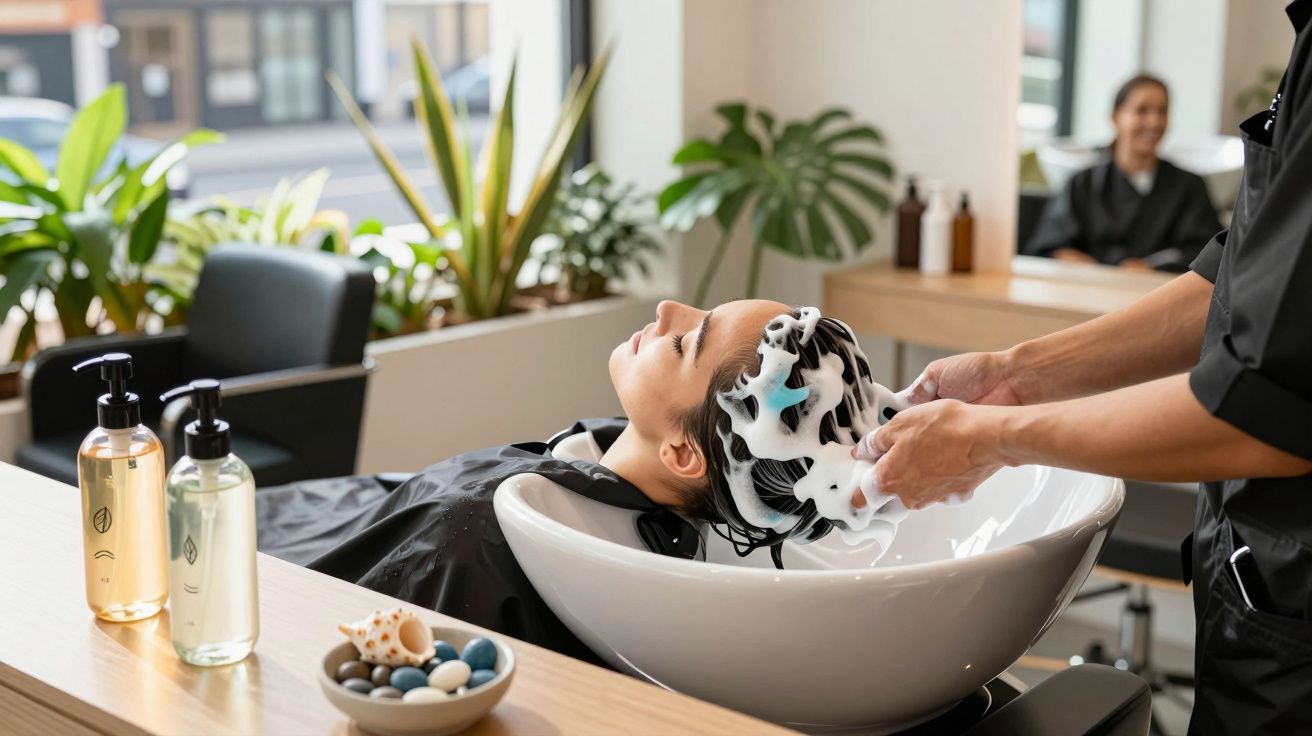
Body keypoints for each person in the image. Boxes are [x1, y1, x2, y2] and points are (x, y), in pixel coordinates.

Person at [854, 4, 1312, 732]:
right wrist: (1014, 374)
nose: (667, 317)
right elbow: (1239, 279)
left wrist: (990, 436)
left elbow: (1263, 404)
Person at [257, 299, 894, 662]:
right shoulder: (605, 467)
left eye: (683, 344)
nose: (668, 308)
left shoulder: (482, 540)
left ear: (683, 454)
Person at [1024, 74, 1222, 272]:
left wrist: (1149, 268)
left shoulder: (1189, 186)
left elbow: (1207, 255)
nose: (1154, 122)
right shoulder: (1082, 184)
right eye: (1142, 110)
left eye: (1162, 111)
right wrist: (1090, 268)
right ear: (1116, 117)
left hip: (1163, 295)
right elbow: (1049, 247)